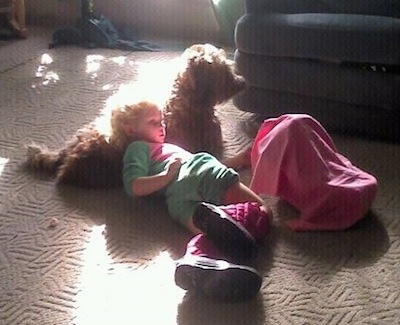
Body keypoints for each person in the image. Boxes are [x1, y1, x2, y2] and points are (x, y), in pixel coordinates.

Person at [111, 100, 272, 301]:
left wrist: (237, 161)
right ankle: (229, 222)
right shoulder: (138, 147)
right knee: (263, 211)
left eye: (161, 121)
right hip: (198, 171)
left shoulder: (163, 150)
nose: (161, 126)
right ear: (130, 129)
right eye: (153, 122)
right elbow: (134, 186)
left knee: (215, 233)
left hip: (179, 201)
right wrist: (166, 175)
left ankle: (198, 259)